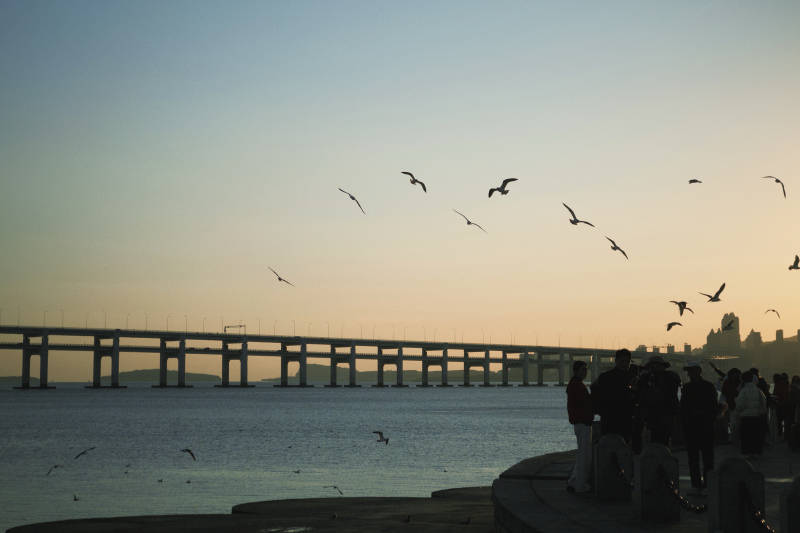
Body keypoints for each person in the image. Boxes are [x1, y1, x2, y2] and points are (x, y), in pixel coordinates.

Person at [680, 361, 719, 493]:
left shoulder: (687, 388)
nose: (689, 374)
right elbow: (715, 407)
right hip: (703, 426)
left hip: (696, 426)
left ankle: (698, 484)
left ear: (697, 372)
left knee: (697, 458)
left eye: (690, 371)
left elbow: (683, 408)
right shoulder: (708, 386)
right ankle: (704, 484)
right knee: (703, 458)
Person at [638, 355, 681, 446]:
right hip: (652, 415)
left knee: (664, 440)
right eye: (652, 366)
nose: (654, 368)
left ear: (663, 366)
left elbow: (670, 391)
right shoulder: (647, 378)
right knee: (654, 440)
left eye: (656, 365)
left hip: (665, 414)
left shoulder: (670, 377)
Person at [591, 349, 633, 443]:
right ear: (616, 361)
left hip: (614, 419)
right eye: (623, 361)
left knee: (610, 449)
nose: (625, 364)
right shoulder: (630, 378)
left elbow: (594, 391)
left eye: (627, 361)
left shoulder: (605, 376)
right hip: (616, 419)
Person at [566, 360, 593, 493]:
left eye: (586, 369)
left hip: (579, 423)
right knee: (584, 456)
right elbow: (585, 404)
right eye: (582, 370)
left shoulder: (574, 384)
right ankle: (580, 486)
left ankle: (574, 481)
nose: (585, 372)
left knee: (582, 454)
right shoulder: (577, 386)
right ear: (576, 371)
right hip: (582, 423)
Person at [734, 370, 767, 458]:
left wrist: (737, 412)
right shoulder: (758, 390)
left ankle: (748, 453)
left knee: (746, 436)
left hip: (746, 416)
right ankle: (756, 452)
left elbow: (740, 404)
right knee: (755, 435)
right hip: (756, 416)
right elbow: (763, 402)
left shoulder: (743, 391)